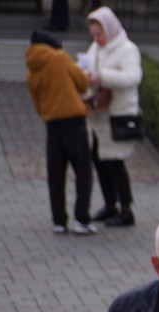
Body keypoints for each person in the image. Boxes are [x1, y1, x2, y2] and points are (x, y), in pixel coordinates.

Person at [25, 29, 95, 235]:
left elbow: (38, 106)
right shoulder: (60, 58)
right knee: (82, 172)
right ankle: (81, 220)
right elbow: (82, 83)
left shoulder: (31, 71)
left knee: (56, 175)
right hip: (74, 123)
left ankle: (59, 221)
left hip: (52, 125)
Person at [83, 7, 141, 228]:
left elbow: (133, 77)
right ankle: (110, 205)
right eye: (94, 35)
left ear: (110, 29)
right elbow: (88, 67)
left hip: (117, 114)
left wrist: (103, 77)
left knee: (115, 162)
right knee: (99, 160)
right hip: (99, 115)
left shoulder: (127, 49)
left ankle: (126, 210)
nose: (97, 39)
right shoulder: (96, 48)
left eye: (100, 34)